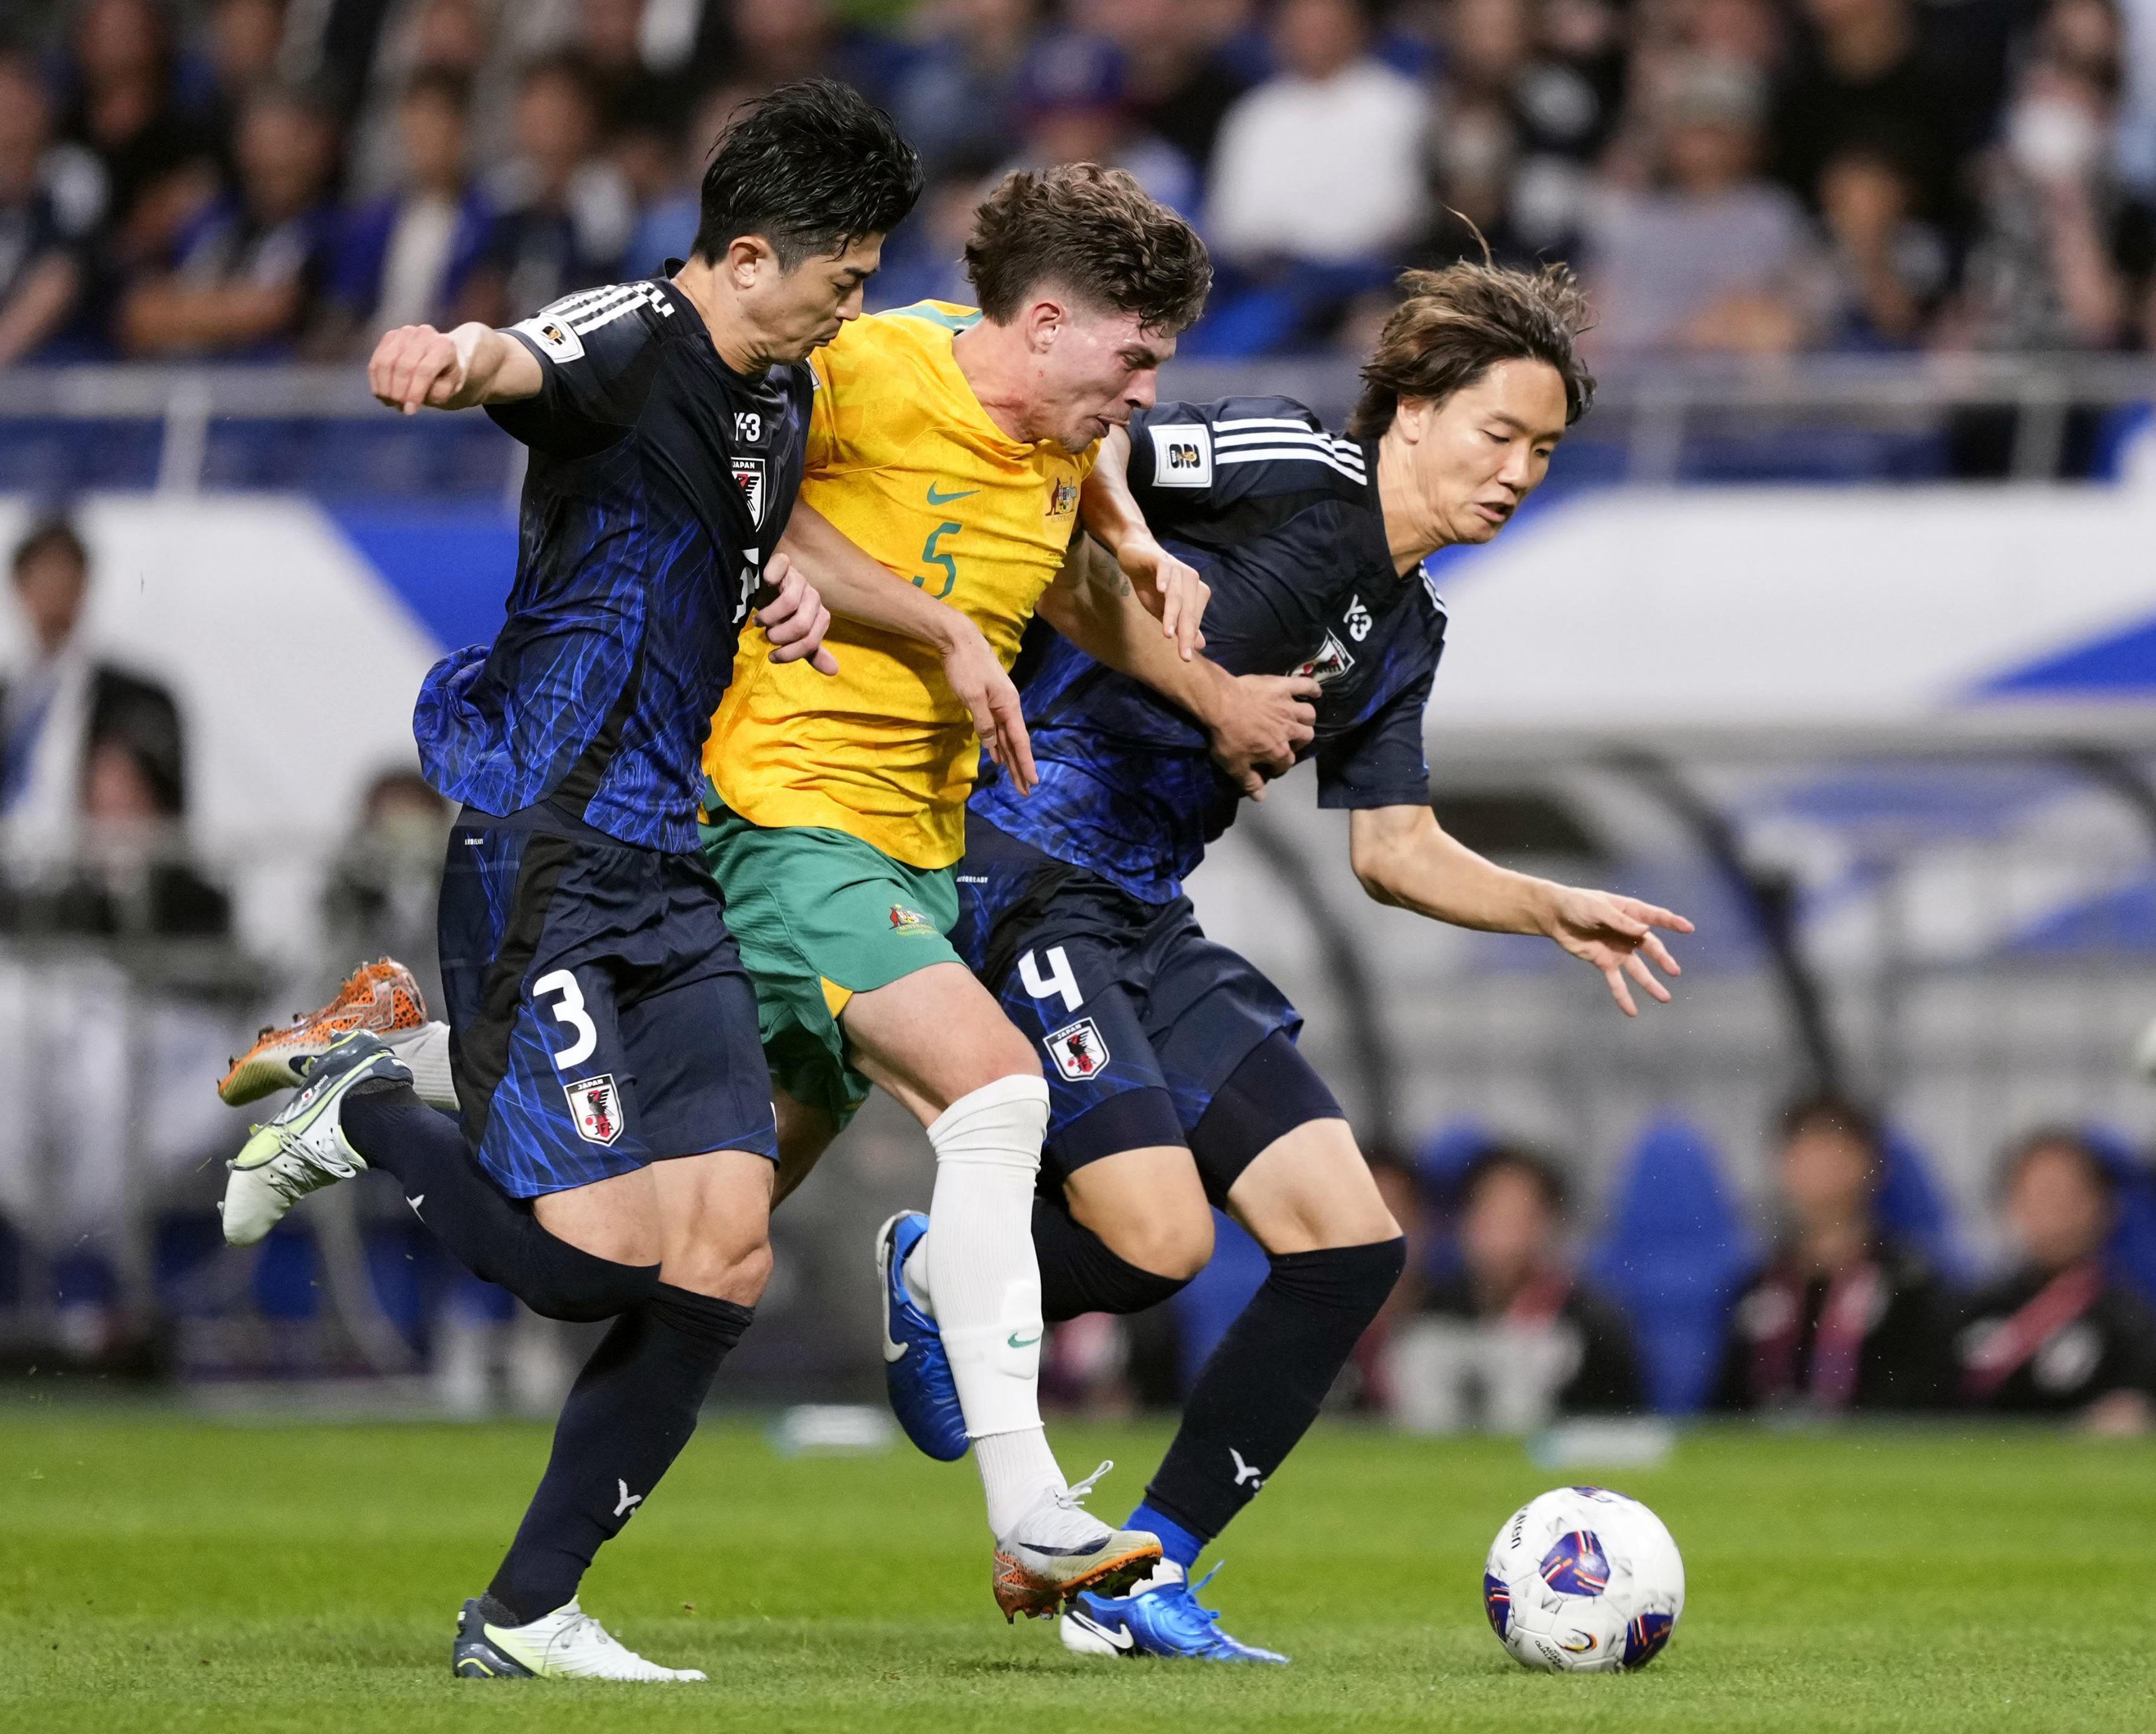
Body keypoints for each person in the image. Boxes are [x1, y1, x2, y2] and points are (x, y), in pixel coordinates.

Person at [212, 80, 916, 1683]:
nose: (853, 304)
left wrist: (785, 595)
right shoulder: (638, 333)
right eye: (846, 276)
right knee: (588, 1260)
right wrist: (447, 352)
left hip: (674, 861)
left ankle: (528, 1610)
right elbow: (522, 351)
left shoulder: (773, 396)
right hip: (546, 845)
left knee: (724, 1247)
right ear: (748, 254)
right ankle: (363, 1099)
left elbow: (734, 546)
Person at [924, 257, 1691, 1661]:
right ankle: (953, 1277)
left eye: (1543, 450)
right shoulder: (1285, 461)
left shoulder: (1403, 627)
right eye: (1496, 433)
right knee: (1159, 1236)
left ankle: (1136, 1578)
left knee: (1350, 1239)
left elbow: (1391, 847)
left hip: (1142, 913)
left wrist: (1546, 904)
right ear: (1407, 411)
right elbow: (1074, 441)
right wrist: (1196, 674)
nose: (1518, 470)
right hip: (1015, 861)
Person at [1714, 1093, 1957, 1414]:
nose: (1823, 1166)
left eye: (1837, 1148)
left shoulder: (1910, 1285)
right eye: (1808, 1150)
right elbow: (1723, 1411)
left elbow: (1926, 1402)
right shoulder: (1758, 1288)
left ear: (1873, 1164)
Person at [1385, 1143, 1647, 1433]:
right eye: (1490, 1212)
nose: (1502, 1233)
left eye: (1519, 1215)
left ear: (1549, 1224)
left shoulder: (1594, 1323)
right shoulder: (1425, 1310)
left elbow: (1620, 1432)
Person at [1, 516, 187, 863]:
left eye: (65, 577)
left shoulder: (135, 699)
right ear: (20, 588)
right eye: (42, 577)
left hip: (87, 881)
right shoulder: (12, 696)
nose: (53, 592)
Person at [1956, 1129, 2156, 1432]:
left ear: (2104, 1206)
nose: (2055, 1209)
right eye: (2040, 1193)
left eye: (2069, 1194)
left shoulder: (2131, 1320)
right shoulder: (1971, 1307)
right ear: (2010, 1205)